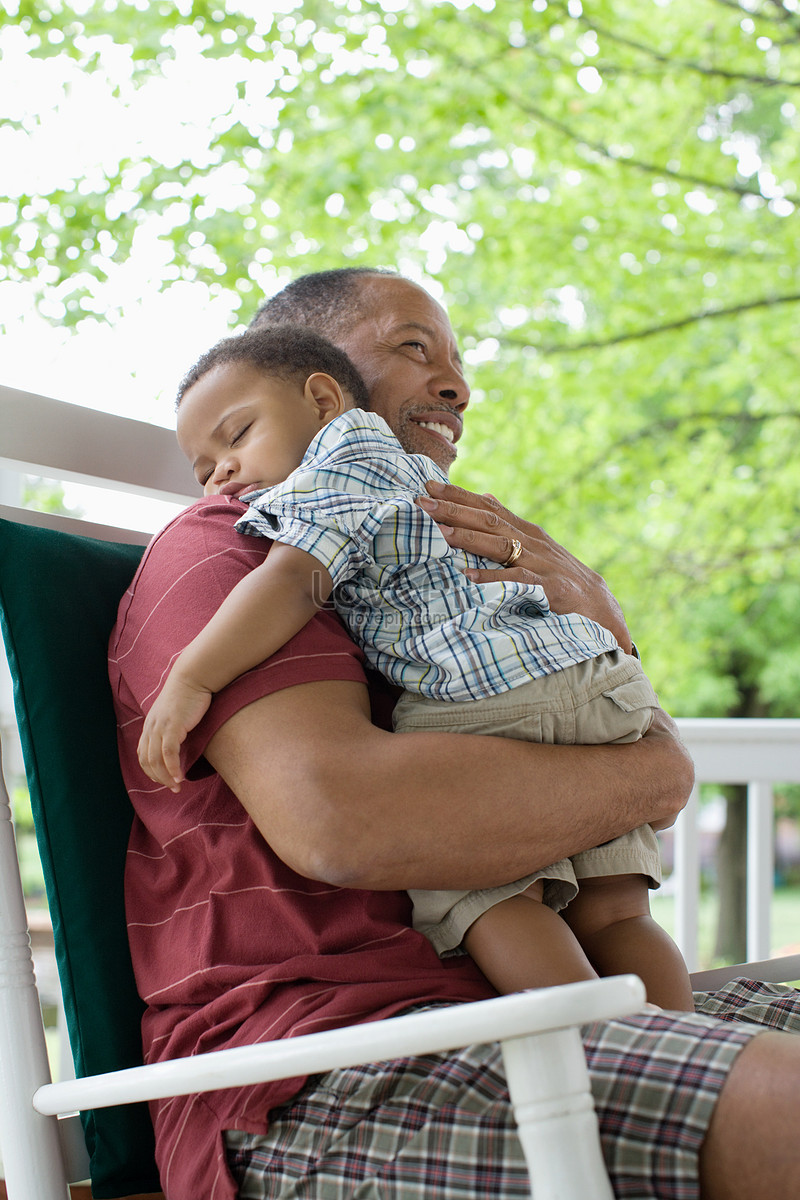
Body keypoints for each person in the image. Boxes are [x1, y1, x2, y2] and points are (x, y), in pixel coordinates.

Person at [110, 266, 800, 1200]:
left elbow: (603, 738)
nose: (457, 387)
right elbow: (344, 821)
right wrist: (657, 769)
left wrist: (601, 617)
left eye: (456, 360)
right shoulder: (226, 547)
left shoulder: (431, 549)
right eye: (412, 348)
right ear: (325, 379)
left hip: (510, 1007)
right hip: (322, 1073)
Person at [137, 322, 692, 1010]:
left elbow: (294, 582)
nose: (220, 473)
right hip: (590, 681)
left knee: (493, 905)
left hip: (479, 692)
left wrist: (192, 678)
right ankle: (682, 1039)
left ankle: (615, 1055)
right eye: (203, 469)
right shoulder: (418, 487)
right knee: (619, 917)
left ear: (323, 400)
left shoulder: (333, 468)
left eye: (237, 435)